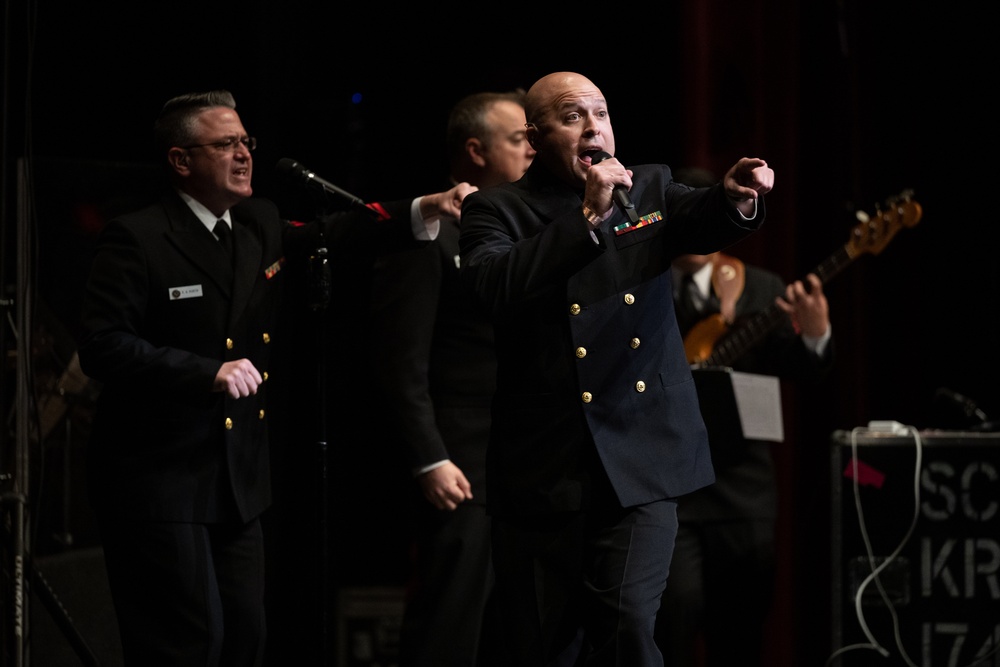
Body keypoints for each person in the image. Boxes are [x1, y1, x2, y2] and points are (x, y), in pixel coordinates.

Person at [75, 89, 475, 667]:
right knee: (188, 643)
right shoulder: (137, 236)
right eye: (224, 144)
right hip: (159, 478)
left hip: (238, 477)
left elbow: (334, 234)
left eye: (245, 142)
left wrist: (426, 207)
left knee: (246, 637)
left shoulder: (256, 220)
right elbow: (102, 346)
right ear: (181, 161)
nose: (242, 155)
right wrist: (205, 371)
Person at [457, 71, 774, 666]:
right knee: (538, 647)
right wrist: (586, 220)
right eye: (573, 116)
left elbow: (700, 215)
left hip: (643, 457)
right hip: (546, 469)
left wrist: (735, 197)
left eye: (600, 113)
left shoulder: (647, 186)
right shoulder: (498, 210)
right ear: (533, 137)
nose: (592, 127)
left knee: (627, 623)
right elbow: (490, 286)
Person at [369, 89, 535, 667]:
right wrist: (429, 457)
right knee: (451, 627)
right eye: (519, 139)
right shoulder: (432, 237)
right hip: (462, 467)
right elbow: (400, 361)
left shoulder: (527, 230)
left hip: (525, 461)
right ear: (476, 150)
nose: (533, 150)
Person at [655, 168, 834, 667]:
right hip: (670, 496)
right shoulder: (640, 289)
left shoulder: (760, 288)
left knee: (740, 636)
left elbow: (806, 372)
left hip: (742, 494)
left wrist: (815, 335)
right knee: (672, 621)